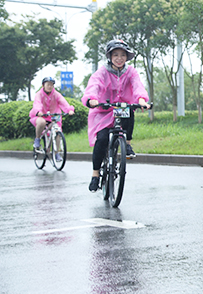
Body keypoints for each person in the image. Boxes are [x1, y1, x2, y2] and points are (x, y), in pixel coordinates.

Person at [82, 39, 150, 192]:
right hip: (104, 111)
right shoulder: (102, 72)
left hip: (121, 108)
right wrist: (92, 100)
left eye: (123, 55)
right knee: (102, 139)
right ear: (110, 57)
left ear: (127, 57)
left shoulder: (130, 71)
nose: (119, 58)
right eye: (115, 55)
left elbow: (137, 85)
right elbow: (95, 85)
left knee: (129, 111)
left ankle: (128, 144)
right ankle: (95, 174)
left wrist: (141, 100)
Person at [29, 77, 75, 161]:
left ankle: (56, 153)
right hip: (40, 115)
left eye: (51, 85)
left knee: (57, 132)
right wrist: (39, 111)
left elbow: (63, 103)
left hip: (53, 116)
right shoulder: (39, 94)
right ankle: (37, 139)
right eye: (48, 84)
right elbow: (37, 104)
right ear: (43, 85)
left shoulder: (56, 94)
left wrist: (69, 110)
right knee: (42, 122)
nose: (50, 86)